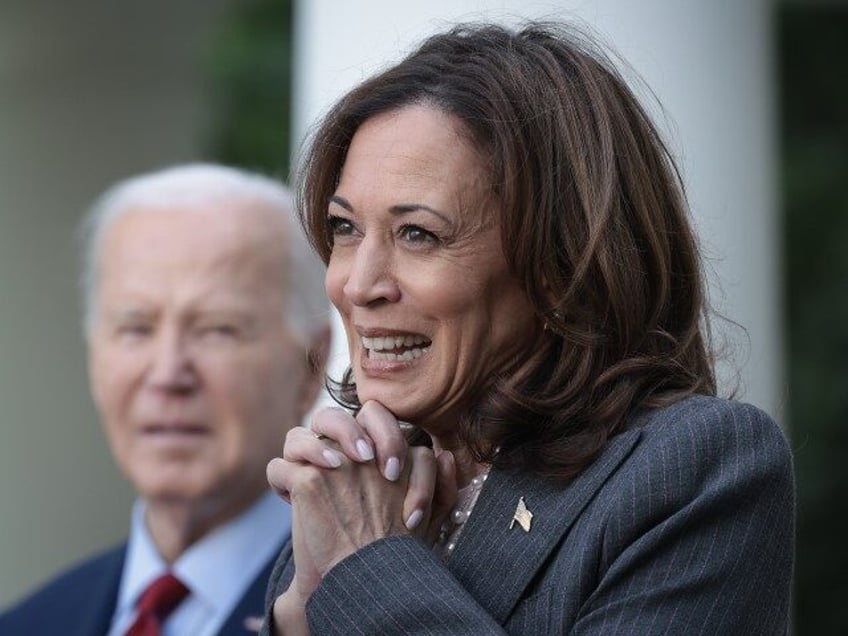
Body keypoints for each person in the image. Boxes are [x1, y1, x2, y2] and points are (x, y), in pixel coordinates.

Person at [261, 22, 795, 635]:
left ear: (559, 267)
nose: (358, 285)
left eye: (417, 234)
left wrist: (366, 563)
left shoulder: (695, 468)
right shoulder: (361, 480)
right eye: (345, 229)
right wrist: (301, 609)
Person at [0, 163, 331, 635]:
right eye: (135, 329)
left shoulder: (353, 615)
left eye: (217, 329)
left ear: (310, 363)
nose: (168, 373)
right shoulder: (29, 625)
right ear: (94, 354)